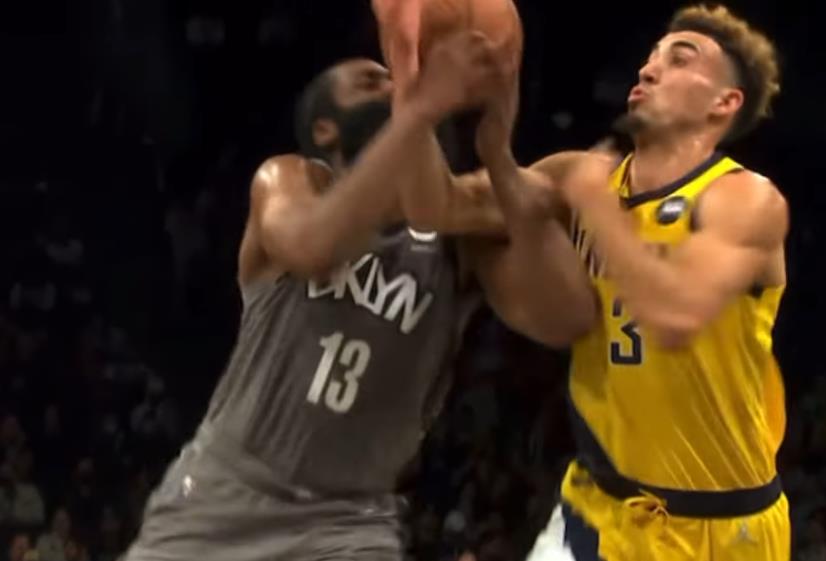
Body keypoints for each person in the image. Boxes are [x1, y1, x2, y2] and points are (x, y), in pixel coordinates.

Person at [123, 29, 595, 561]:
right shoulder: (290, 180)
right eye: (371, 83)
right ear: (325, 129)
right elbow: (311, 247)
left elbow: (566, 320)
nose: (393, 85)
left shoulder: (456, 234)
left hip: (349, 519)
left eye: (396, 79)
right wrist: (418, 109)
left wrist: (497, 155)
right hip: (226, 491)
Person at [403, 5, 790, 561]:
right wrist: (421, 97)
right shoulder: (578, 174)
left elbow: (676, 317)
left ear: (723, 104)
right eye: (651, 57)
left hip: (722, 528)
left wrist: (594, 206)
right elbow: (436, 206)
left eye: (679, 60)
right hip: (598, 506)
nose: (649, 69)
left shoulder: (744, 199)